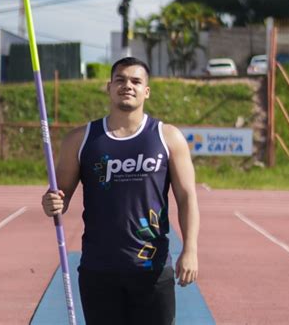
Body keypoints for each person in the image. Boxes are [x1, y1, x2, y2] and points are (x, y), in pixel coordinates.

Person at [41, 57, 200, 325]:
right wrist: (52, 202)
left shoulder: (168, 137)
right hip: (99, 270)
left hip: (152, 268)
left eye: (136, 81)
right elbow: (61, 195)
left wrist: (190, 249)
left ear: (146, 91)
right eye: (120, 80)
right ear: (109, 87)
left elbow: (186, 197)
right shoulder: (80, 139)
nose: (128, 85)